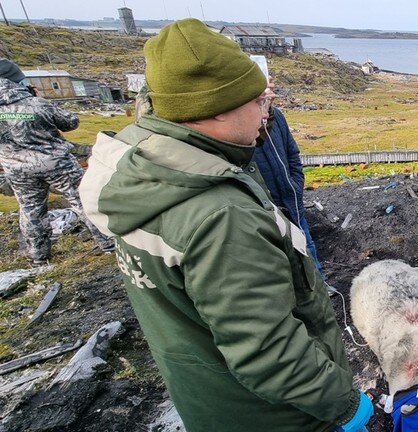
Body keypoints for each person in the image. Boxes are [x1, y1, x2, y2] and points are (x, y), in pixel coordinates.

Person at [78, 19, 370, 432]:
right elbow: (268, 350)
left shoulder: (142, 178)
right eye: (257, 103)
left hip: (207, 395)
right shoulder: (221, 215)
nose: (265, 115)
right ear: (217, 107)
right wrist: (345, 407)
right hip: (276, 417)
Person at [0, 58, 114, 265]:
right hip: (56, 163)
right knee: (84, 199)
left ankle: (39, 257)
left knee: (31, 209)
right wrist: (37, 99)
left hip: (16, 169)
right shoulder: (35, 104)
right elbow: (70, 122)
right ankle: (108, 244)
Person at [253, 78, 327, 278]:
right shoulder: (239, 127)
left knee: (307, 246)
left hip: (291, 200)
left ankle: (321, 286)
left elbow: (293, 154)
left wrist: (295, 184)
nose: (271, 93)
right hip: (264, 209)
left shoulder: (278, 118)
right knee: (279, 258)